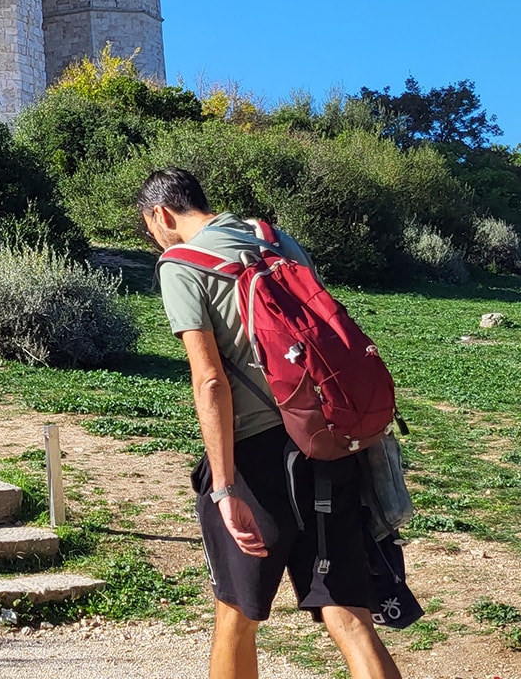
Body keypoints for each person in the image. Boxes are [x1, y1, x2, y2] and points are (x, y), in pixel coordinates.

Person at [138, 167, 402, 679]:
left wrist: (223, 485)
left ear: (161, 214)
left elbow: (210, 381)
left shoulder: (181, 265)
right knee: (349, 614)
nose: (155, 240)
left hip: (258, 459)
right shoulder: (275, 239)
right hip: (328, 442)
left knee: (236, 616)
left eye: (151, 230)